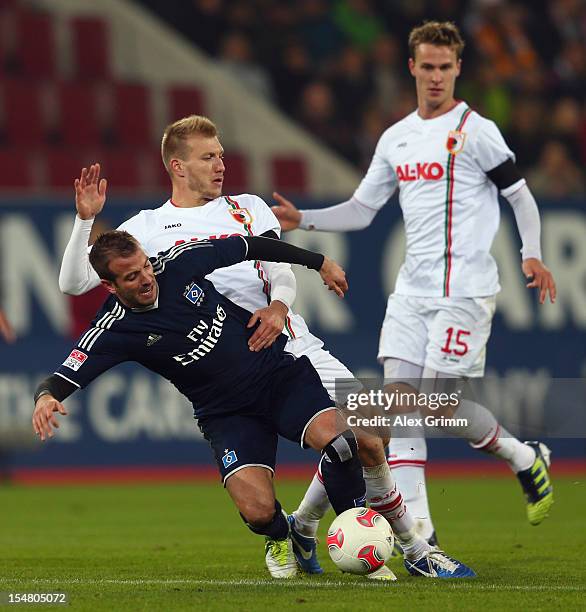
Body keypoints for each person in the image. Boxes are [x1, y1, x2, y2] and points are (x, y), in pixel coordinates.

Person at [58, 116, 474, 579]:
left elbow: (275, 263)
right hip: (228, 364)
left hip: (287, 342)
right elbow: (75, 283)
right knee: (353, 445)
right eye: (208, 156)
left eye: (220, 154)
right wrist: (85, 219)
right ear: (177, 165)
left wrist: (278, 307)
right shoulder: (147, 228)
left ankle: (314, 524)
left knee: (372, 438)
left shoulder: (248, 206)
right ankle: (413, 549)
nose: (221, 164)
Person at [272, 21, 556, 544]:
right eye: (427, 66)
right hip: (410, 294)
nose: (435, 77)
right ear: (412, 67)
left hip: (466, 293)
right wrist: (302, 218)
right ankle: (422, 534)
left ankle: (521, 454)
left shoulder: (477, 130)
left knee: (429, 407)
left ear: (458, 69)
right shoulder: (396, 137)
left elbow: (519, 194)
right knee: (403, 409)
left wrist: (533, 254)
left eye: (445, 67)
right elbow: (362, 209)